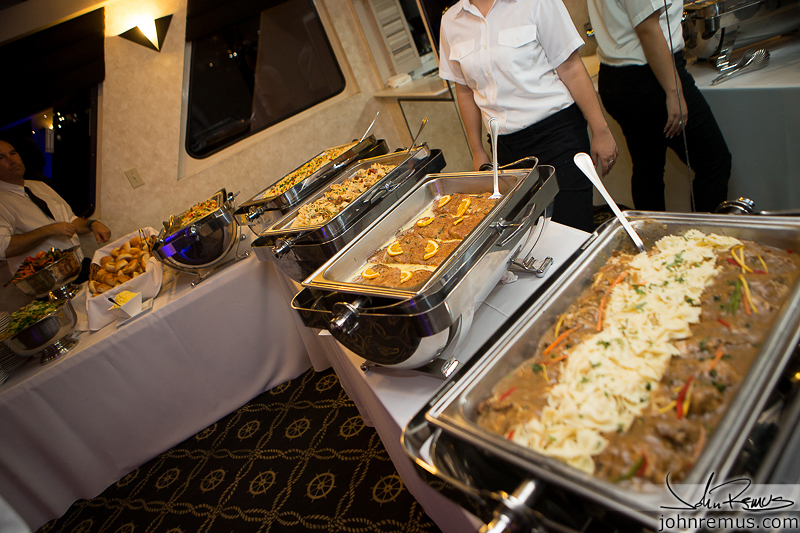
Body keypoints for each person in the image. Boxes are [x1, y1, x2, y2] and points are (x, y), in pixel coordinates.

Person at [439, 0, 619, 232]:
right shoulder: (451, 21)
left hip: (558, 136)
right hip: (506, 151)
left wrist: (601, 131)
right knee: (531, 237)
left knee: (573, 232)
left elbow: (571, 67)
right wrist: (477, 151)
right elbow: (464, 91)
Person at [587, 0, 731, 212]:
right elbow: (647, 29)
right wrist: (674, 91)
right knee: (714, 163)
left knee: (648, 170)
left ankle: (652, 232)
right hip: (649, 76)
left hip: (617, 76)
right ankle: (702, 233)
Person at [0, 139, 111, 282]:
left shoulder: (40, 186)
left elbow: (70, 221)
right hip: (48, 282)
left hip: (79, 266)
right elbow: (4, 248)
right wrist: (49, 230)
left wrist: (92, 224)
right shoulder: (2, 202)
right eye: (1, 158)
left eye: (13, 153)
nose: (12, 160)